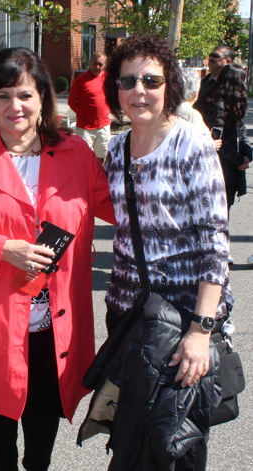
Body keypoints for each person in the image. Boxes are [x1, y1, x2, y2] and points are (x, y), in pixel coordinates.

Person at [0, 47, 115, 471]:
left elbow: (120, 207)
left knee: (42, 420)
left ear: (44, 99)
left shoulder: (76, 153)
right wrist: (1, 249)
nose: (15, 106)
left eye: (26, 95)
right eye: (4, 95)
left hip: (57, 323)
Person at [89, 35, 231, 470]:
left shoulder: (191, 144)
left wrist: (201, 332)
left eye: (150, 80)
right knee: (130, 437)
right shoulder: (116, 149)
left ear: (168, 84)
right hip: (129, 318)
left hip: (183, 318)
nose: (138, 91)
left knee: (177, 443)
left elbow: (214, 242)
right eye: (127, 81)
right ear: (115, 89)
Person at [195, 63, 251, 218]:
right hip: (218, 165)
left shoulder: (234, 103)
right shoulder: (217, 103)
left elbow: (242, 131)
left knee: (224, 209)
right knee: (217, 213)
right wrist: (239, 160)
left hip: (231, 166)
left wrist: (247, 154)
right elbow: (217, 139)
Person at [68, 51, 111, 162]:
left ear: (105, 65)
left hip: (103, 126)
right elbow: (72, 102)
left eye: (100, 64)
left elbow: (113, 97)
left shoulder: (108, 79)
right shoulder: (80, 80)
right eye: (95, 63)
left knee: (101, 158)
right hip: (85, 128)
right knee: (83, 158)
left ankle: (97, 178)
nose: (97, 67)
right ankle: (84, 179)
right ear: (90, 62)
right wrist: (84, 114)